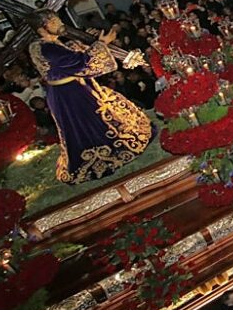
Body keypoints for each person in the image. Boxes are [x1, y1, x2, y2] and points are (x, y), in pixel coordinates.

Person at [28, 10, 152, 183]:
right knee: (89, 123)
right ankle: (104, 153)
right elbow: (79, 63)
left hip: (68, 89)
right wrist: (101, 44)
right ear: (43, 28)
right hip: (70, 95)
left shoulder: (45, 44)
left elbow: (67, 57)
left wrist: (85, 43)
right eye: (54, 22)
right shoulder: (47, 47)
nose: (60, 23)